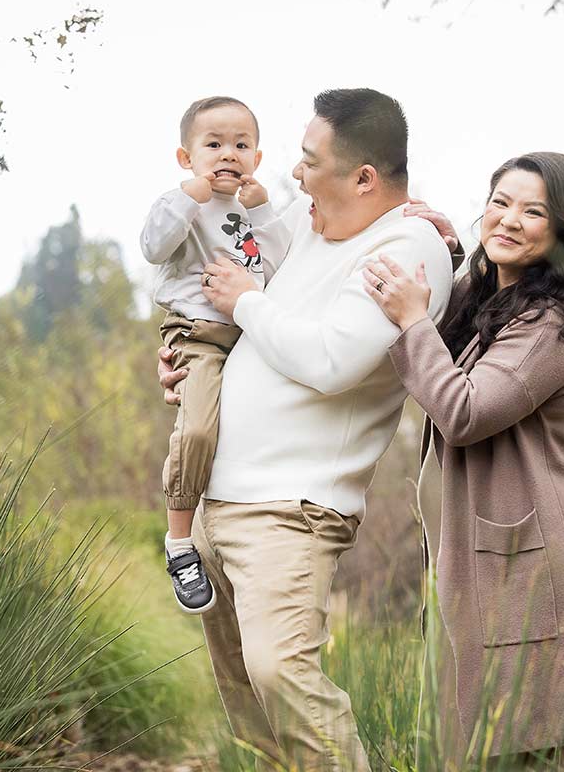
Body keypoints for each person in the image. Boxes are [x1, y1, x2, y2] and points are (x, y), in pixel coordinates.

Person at [159, 88, 455, 771]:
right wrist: (184, 353)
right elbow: (221, 290)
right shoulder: (307, 222)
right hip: (218, 499)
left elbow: (330, 362)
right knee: (249, 701)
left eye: (309, 160)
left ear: (364, 178)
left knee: (279, 672)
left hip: (291, 509)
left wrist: (247, 302)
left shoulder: (407, 246)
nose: (293, 173)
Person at [362, 152, 564, 769]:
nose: (508, 219)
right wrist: (442, 251)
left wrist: (410, 317)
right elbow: (441, 325)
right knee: (469, 742)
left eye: (533, 212)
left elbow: (465, 410)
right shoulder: (491, 303)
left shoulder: (551, 323)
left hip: (533, 568)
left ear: (563, 233)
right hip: (483, 565)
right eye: (500, 202)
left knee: (536, 741)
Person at [140, 96, 290, 614]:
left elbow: (278, 267)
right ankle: (180, 542)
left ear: (257, 157)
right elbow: (153, 246)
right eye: (214, 144)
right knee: (199, 430)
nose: (229, 154)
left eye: (241, 145)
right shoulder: (180, 202)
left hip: (250, 338)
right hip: (197, 336)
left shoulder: (251, 211)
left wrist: (263, 210)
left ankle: (243, 539)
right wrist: (190, 196)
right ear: (187, 157)